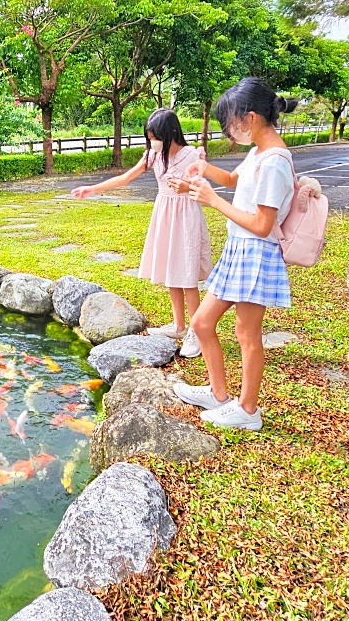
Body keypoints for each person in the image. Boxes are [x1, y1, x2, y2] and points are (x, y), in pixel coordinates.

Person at [172, 77, 298, 431]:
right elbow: (231, 180)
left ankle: (247, 410)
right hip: (239, 250)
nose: (229, 130)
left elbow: (262, 224)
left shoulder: (274, 160)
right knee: (202, 323)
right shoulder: (259, 151)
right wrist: (201, 172)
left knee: (247, 334)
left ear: (252, 117)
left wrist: (213, 202)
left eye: (231, 122)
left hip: (256, 251)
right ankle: (218, 393)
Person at [71, 108, 210, 355]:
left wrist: (186, 186)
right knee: (171, 271)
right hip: (165, 215)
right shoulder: (153, 156)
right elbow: (125, 178)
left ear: (170, 133)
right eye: (150, 137)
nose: (153, 142)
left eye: (155, 136)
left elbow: (203, 188)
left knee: (187, 274)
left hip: (186, 216)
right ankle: (178, 325)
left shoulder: (193, 155)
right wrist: (92, 189)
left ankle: (196, 332)